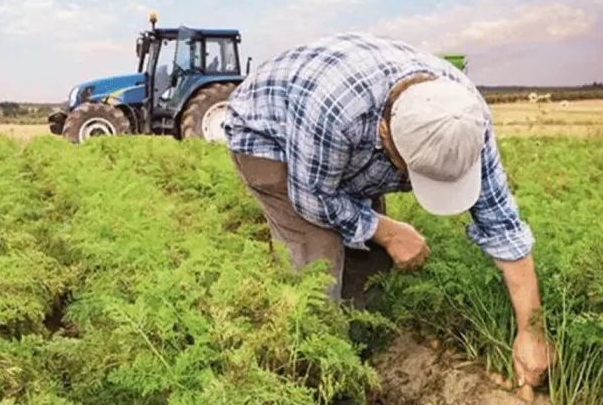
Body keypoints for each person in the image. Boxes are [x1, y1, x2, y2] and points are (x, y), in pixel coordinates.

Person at [222, 32, 554, 388]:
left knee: (371, 261)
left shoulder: (464, 117)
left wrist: (531, 329)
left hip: (345, 142)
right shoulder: (336, 111)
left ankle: (364, 355)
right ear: (385, 134)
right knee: (317, 270)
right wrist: (390, 231)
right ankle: (313, 375)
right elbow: (313, 199)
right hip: (270, 137)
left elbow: (502, 225)